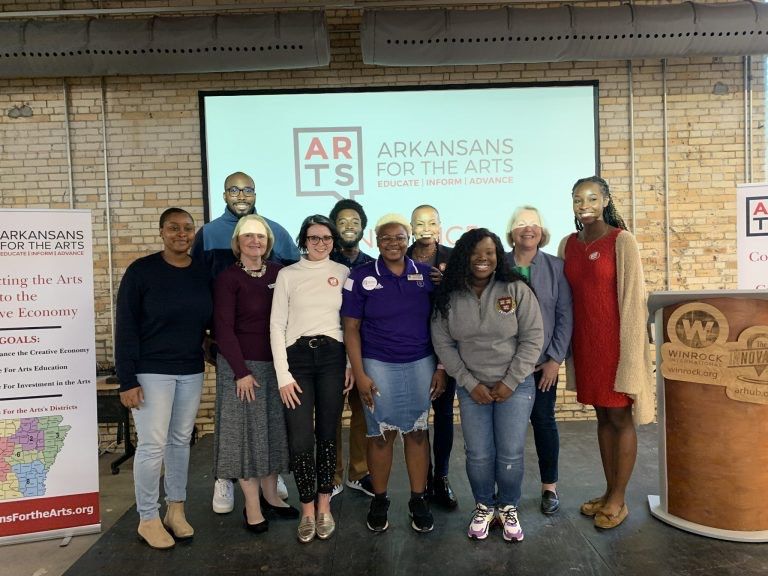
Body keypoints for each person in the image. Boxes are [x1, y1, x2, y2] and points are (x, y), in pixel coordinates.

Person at [191, 170, 297, 513]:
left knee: (269, 427)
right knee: (236, 427)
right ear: (223, 194)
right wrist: (212, 343)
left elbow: (295, 293)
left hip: (274, 359)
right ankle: (227, 479)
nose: (241, 194)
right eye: (234, 189)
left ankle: (269, 485)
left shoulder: (278, 236)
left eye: (247, 189)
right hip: (231, 351)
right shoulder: (208, 236)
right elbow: (197, 287)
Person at [431, 228, 544, 542]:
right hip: (472, 387)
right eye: (475, 252)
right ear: (464, 257)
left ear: (499, 257)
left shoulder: (516, 289)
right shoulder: (450, 296)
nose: (483, 259)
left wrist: (510, 382)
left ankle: (508, 507)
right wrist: (469, 383)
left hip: (516, 386)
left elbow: (533, 338)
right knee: (478, 454)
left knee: (509, 453)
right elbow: (443, 343)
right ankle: (484, 505)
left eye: (490, 252)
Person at [558, 176, 653, 530]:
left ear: (606, 200)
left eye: (592, 198)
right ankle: (609, 489)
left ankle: (619, 499)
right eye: (577, 198)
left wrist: (631, 358)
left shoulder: (621, 240)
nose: (584, 205)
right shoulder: (568, 244)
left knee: (619, 419)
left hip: (616, 348)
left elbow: (633, 302)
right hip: (586, 347)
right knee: (602, 419)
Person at [116, 208, 212, 550]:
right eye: (174, 228)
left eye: (187, 228)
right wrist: (127, 380)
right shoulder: (142, 272)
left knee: (179, 442)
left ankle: (176, 510)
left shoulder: (201, 274)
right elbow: (125, 327)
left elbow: (208, 325)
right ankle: (147, 517)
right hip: (150, 371)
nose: (181, 234)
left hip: (190, 370)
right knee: (152, 445)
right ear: (161, 232)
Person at [342, 214, 444, 534]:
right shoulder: (359, 277)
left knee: (416, 432)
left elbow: (441, 324)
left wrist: (440, 367)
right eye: (386, 238)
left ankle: (418, 499)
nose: (393, 243)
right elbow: (351, 328)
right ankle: (380, 499)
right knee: (380, 434)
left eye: (400, 237)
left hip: (420, 363)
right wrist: (359, 373)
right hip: (377, 364)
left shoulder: (427, 275)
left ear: (409, 238)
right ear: (376, 240)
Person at [213, 215, 298, 535]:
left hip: (277, 366)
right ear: (237, 242)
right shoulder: (228, 278)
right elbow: (223, 328)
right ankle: (251, 505)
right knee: (245, 436)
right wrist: (240, 372)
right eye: (247, 236)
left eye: (260, 237)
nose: (255, 241)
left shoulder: (280, 273)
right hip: (241, 369)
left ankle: (272, 496)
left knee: (273, 432)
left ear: (269, 242)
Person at [270, 215, 351, 543]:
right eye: (314, 238)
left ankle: (324, 505)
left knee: (328, 433)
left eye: (326, 238)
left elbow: (348, 322)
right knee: (301, 438)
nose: (320, 243)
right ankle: (306, 509)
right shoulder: (287, 275)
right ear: (303, 241)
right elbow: (276, 325)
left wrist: (347, 365)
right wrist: (283, 376)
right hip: (298, 361)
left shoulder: (343, 273)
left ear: (333, 241)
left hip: (333, 358)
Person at [506, 206, 573, 515]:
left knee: (544, 423)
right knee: (508, 431)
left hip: (543, 365)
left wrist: (555, 359)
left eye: (533, 224)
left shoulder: (556, 267)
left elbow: (564, 316)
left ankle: (549, 488)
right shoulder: (499, 265)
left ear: (542, 232)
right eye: (521, 224)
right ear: (511, 233)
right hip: (504, 366)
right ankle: (506, 492)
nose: (527, 229)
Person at [406, 204, 458, 509]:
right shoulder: (400, 256)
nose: (426, 227)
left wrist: (448, 283)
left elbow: (464, 299)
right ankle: (421, 480)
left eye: (432, 222)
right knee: (417, 418)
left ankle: (442, 478)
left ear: (440, 226)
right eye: (419, 223)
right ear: (412, 227)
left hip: (445, 351)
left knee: (444, 416)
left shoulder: (453, 259)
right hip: (412, 352)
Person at [328, 199, 375, 499]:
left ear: (362, 227)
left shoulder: (372, 265)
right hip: (329, 352)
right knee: (331, 416)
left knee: (362, 414)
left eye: (355, 221)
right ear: (333, 226)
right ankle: (332, 476)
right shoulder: (322, 262)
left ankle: (359, 473)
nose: (349, 226)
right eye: (342, 221)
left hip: (363, 352)